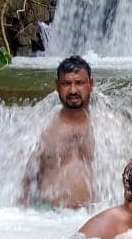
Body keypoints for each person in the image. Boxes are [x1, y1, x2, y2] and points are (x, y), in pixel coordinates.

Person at [22, 55, 96, 208]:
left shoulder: (108, 125)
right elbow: (26, 180)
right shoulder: (43, 127)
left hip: (95, 217)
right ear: (57, 86)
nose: (73, 90)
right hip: (50, 216)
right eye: (66, 84)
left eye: (79, 83)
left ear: (91, 84)